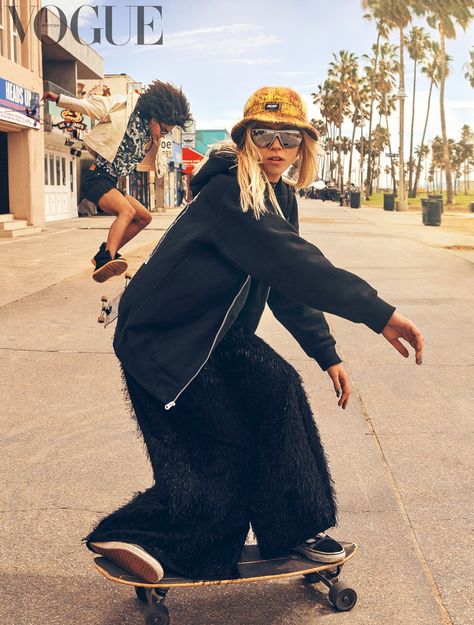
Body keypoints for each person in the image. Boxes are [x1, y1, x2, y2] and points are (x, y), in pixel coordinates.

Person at [84, 87, 423, 583]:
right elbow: (296, 264)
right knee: (227, 452)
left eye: (289, 137)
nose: (276, 147)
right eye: (263, 135)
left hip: (214, 338)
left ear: (303, 147)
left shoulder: (279, 195)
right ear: (246, 140)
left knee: (279, 389)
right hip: (165, 342)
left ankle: (296, 531)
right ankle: (133, 534)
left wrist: (326, 353)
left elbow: (285, 282)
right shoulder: (230, 193)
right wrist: (378, 313)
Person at [43, 81, 192, 282]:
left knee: (144, 217)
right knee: (127, 211)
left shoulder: (150, 139)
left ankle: (104, 253)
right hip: (96, 177)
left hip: (110, 182)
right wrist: (60, 99)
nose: (163, 135)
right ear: (155, 119)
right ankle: (106, 258)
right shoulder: (125, 107)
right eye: (164, 130)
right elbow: (92, 107)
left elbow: (158, 163)